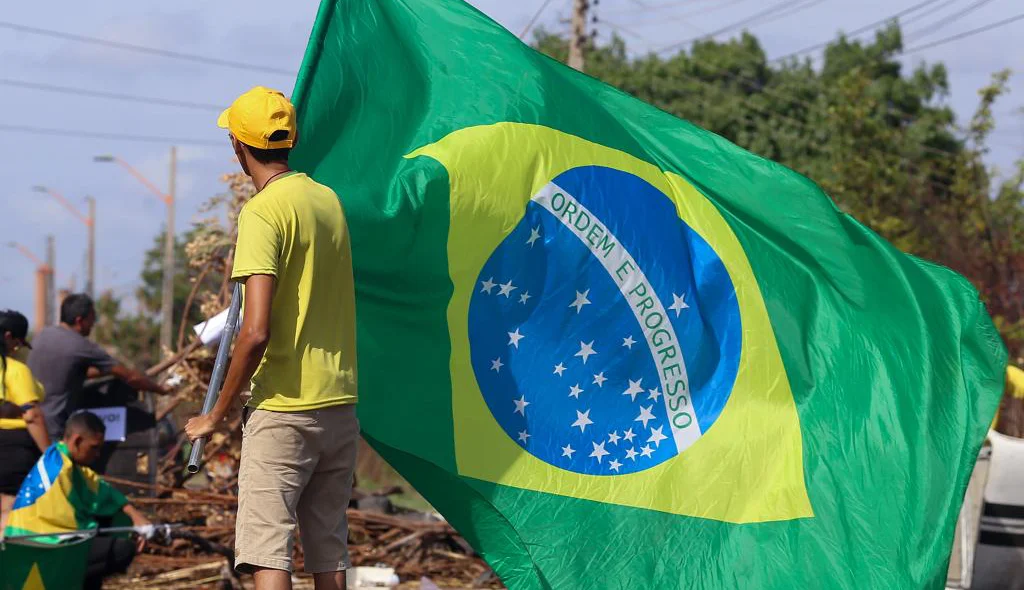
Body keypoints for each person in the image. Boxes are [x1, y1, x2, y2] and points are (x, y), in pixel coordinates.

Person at [185, 86, 359, 590]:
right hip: (339, 403)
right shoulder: (328, 201)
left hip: (284, 406)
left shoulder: (262, 212)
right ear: (290, 140)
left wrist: (214, 415)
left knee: (268, 552)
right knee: (329, 551)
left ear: (238, 147)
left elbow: (255, 331)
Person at [4, 411, 153, 590]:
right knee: (121, 549)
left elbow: (101, 488)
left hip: (50, 543)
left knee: (109, 530)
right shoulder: (58, 469)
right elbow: (71, 526)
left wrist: (135, 517)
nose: (97, 454)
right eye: (94, 447)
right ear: (77, 441)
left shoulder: (64, 459)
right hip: (40, 547)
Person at [28, 293, 173, 439]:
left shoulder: (42, 335)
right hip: (54, 428)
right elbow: (131, 377)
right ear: (80, 320)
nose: (93, 324)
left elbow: (65, 372)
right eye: (92, 319)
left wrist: (105, 371)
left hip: (31, 424)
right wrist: (161, 390)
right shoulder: (80, 345)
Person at [0, 310, 50, 530]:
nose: (19, 349)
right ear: (8, 336)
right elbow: (32, 416)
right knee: (9, 508)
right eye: (18, 342)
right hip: (13, 450)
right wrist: (50, 453)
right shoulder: (16, 371)